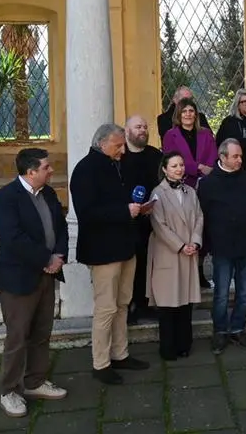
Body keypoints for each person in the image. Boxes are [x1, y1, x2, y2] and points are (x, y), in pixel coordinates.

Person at [0, 148, 68, 418]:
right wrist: (46, 258)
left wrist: (58, 255)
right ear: (31, 171)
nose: (51, 170)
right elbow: (13, 238)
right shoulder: (6, 198)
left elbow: (61, 226)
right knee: (18, 337)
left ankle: (35, 382)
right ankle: (9, 391)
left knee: (42, 332)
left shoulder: (48, 193)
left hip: (47, 274)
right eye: (46, 167)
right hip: (19, 279)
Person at [71, 123, 151, 386]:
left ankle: (120, 353)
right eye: (118, 145)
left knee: (122, 304)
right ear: (101, 143)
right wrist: (124, 212)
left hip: (125, 247)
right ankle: (101, 363)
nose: (122, 150)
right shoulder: (85, 170)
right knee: (106, 308)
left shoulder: (116, 165)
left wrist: (139, 208)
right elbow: (87, 214)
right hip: (103, 251)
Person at [197, 139, 246, 354]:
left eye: (240, 156)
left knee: (244, 292)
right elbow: (203, 215)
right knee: (221, 293)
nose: (240, 160)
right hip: (222, 246)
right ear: (222, 157)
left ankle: (238, 328)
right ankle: (220, 331)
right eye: (235, 156)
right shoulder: (207, 183)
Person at [147, 152, 204, 360]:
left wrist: (195, 241)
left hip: (189, 251)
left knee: (185, 302)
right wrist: (180, 246)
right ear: (164, 169)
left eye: (181, 165)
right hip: (168, 253)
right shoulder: (157, 193)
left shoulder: (190, 191)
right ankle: (168, 348)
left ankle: (184, 344)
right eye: (174, 166)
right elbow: (158, 225)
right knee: (168, 303)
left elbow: (199, 216)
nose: (179, 169)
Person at [162, 98, 217, 288]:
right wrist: (196, 167)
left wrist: (206, 168)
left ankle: (200, 271)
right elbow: (171, 158)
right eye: (184, 111)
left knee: (202, 228)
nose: (188, 114)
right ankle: (186, 273)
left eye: (191, 111)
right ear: (178, 114)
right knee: (186, 228)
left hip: (205, 186)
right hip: (183, 186)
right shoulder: (171, 135)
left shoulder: (206, 134)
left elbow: (213, 155)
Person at [121, 115, 163, 325]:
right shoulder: (119, 157)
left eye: (145, 127)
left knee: (148, 263)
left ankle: (144, 303)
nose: (143, 130)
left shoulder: (156, 155)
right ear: (126, 131)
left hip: (150, 220)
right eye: (138, 127)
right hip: (125, 222)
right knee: (129, 266)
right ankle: (128, 307)